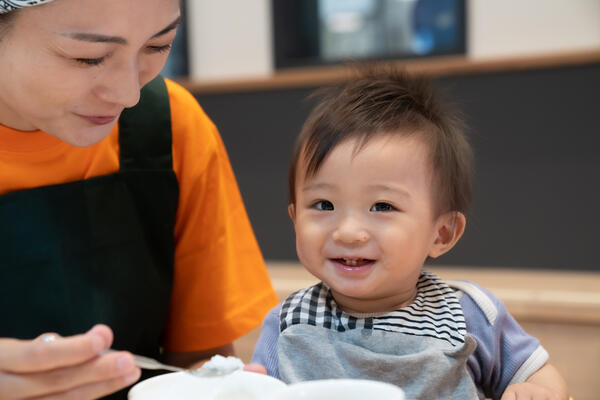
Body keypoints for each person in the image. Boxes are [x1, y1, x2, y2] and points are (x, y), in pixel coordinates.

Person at [0, 0, 277, 399]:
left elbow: (197, 360)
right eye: (88, 57)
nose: (128, 94)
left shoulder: (167, 128)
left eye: (158, 45)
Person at [251, 66, 569, 399]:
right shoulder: (287, 324)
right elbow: (257, 388)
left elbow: (538, 374)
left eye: (382, 207)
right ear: (294, 217)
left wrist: (537, 391)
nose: (348, 232)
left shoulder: (467, 316)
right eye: (323, 204)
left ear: (442, 234)